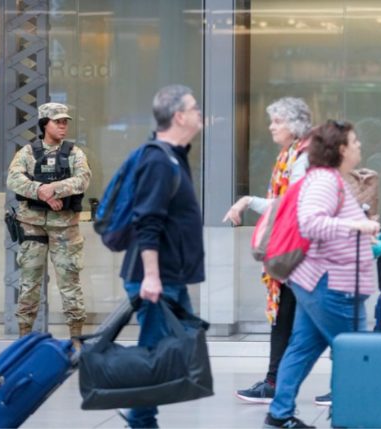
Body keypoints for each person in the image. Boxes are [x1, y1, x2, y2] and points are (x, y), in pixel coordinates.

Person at [264, 120, 380, 429]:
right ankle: (357, 414)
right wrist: (356, 227)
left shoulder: (331, 179)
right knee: (355, 353)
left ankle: (279, 414)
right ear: (341, 149)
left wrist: (360, 232)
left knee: (303, 347)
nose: (358, 147)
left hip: (318, 281)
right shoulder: (325, 181)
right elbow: (311, 223)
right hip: (330, 285)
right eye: (354, 143)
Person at [118, 85, 205, 429]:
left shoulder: (175, 156)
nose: (201, 114)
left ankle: (140, 414)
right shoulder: (158, 160)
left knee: (180, 347)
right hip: (156, 278)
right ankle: (140, 420)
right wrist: (151, 276)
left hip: (172, 276)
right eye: (195, 108)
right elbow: (147, 221)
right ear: (180, 116)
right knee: (158, 352)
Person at [222, 97, 313, 404]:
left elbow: (291, 206)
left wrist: (247, 201)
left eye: (277, 121)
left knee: (310, 320)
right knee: (286, 317)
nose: (271, 127)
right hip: (292, 251)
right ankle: (275, 381)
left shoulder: (303, 157)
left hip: (301, 252)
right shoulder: (289, 154)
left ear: (295, 125)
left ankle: (280, 382)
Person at [7, 103, 90, 343]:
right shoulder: (28, 153)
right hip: (32, 226)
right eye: (58, 122)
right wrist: (39, 190)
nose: (63, 126)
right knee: (29, 284)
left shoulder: (74, 153)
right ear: (45, 124)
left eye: (65, 122)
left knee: (70, 284)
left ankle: (76, 340)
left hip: (65, 227)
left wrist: (54, 190)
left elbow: (83, 180)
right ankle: (24, 340)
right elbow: (13, 179)